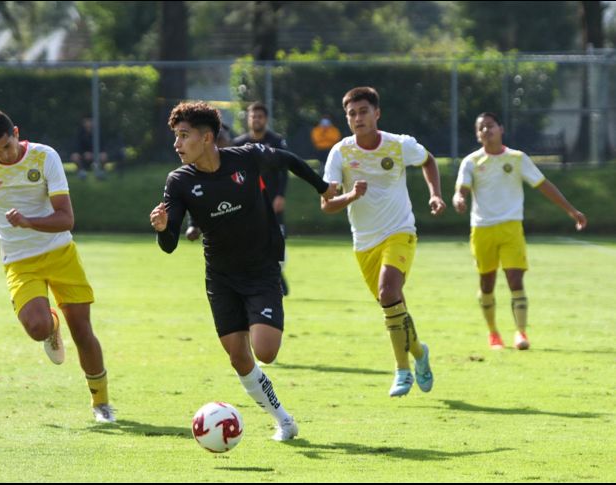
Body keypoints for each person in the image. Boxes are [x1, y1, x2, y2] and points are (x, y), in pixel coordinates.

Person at [149, 101, 338, 441]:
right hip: (220, 278)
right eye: (175, 137)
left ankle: (262, 318)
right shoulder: (178, 181)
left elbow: (289, 160)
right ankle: (283, 419)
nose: (176, 145)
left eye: (183, 136)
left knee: (265, 350)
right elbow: (169, 244)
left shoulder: (246, 157)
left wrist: (323, 188)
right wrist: (163, 227)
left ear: (207, 138)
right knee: (239, 357)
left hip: (261, 269)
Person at [0, 110, 115, 423]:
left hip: (60, 253)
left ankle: (101, 404)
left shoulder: (44, 157)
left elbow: (66, 218)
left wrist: (28, 221)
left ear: (16, 133)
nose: (4, 156)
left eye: (7, 147)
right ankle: (51, 326)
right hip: (20, 262)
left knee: (82, 331)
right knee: (37, 328)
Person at [321, 86, 445, 398]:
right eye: (352, 113)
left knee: (389, 291)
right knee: (393, 306)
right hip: (364, 243)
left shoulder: (399, 144)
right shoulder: (340, 152)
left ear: (377, 113)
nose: (357, 118)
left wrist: (435, 194)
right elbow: (327, 204)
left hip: (400, 231)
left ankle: (402, 370)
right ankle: (419, 352)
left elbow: (429, 161)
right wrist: (351, 195)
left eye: (363, 111)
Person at [453, 112, 587, 351]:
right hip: (482, 229)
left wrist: (571, 210)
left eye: (490, 126)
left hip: (511, 227)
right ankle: (493, 333)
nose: (487, 131)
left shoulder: (517, 158)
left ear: (501, 128)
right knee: (487, 282)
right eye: (481, 128)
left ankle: (520, 333)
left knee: (515, 279)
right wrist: (458, 199)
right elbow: (461, 189)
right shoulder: (471, 161)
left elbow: (543, 184)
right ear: (477, 134)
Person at [232, 102, 292, 295]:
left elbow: (284, 171)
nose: (256, 119)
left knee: (276, 240)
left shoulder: (276, 141)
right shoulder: (238, 143)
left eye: (259, 116)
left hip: (272, 202)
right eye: (253, 116)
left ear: (265, 119)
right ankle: (265, 280)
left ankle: (277, 275)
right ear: (248, 119)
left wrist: (281, 195)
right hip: (248, 205)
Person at [185, 122, 232, 241]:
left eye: (222, 139)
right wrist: (193, 226)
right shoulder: (198, 170)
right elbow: (195, 198)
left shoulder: (240, 164)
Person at [70, 116, 108, 181]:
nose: (88, 123)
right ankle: (81, 172)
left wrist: (93, 154)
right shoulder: (80, 133)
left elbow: (102, 147)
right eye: (86, 121)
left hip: (96, 154)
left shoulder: (98, 133)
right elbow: (77, 147)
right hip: (84, 154)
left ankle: (101, 172)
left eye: (90, 121)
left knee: (104, 156)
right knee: (74, 156)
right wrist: (84, 153)